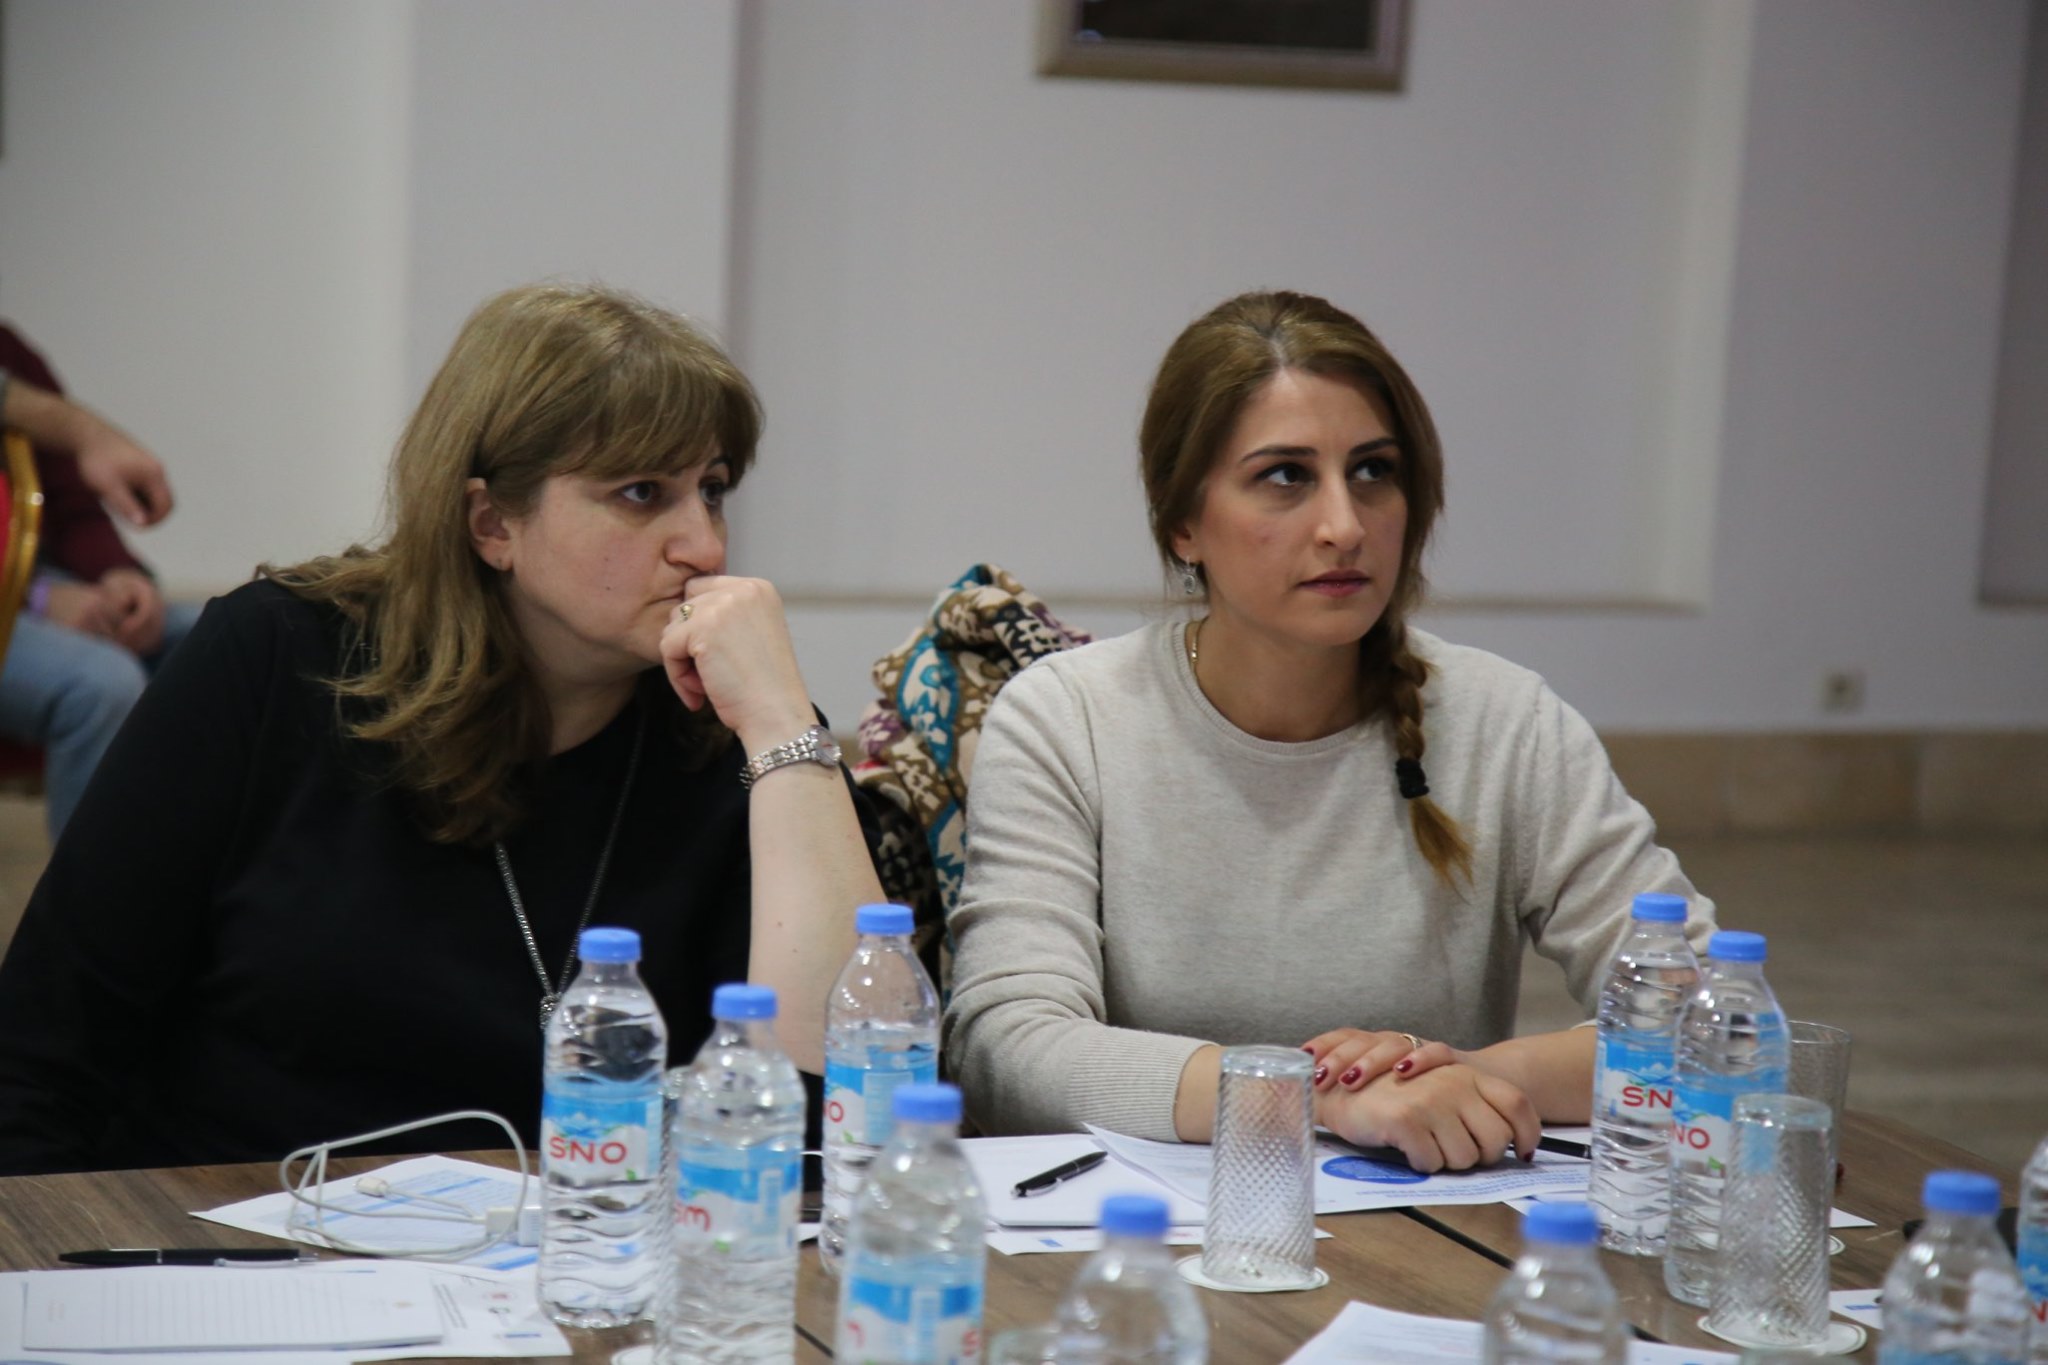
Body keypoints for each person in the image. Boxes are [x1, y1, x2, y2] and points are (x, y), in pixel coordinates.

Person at [0, 283, 883, 1175]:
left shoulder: (742, 730)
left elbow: (840, 1118)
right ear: (492, 523)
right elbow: (41, 1051)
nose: (704, 546)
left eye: (713, 490)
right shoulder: (278, 660)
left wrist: (784, 727)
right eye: (641, 492)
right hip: (232, 1232)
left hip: (587, 1248)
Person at [944, 290, 1715, 1172]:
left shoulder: (1507, 721)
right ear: (1183, 522)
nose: (1344, 526)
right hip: (1142, 1231)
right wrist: (1318, 1096)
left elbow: (1715, 1024)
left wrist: (1454, 1077)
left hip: (1427, 1222)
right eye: (1285, 476)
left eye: (1374, 471)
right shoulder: (1068, 718)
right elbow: (1006, 1050)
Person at [0, 323, 197, 838]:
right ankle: (90, 889)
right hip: (20, 598)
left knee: (218, 637)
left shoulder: (10, 348)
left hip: (41, 581)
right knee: (100, 684)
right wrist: (36, 599)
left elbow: (73, 503)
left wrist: (121, 577)